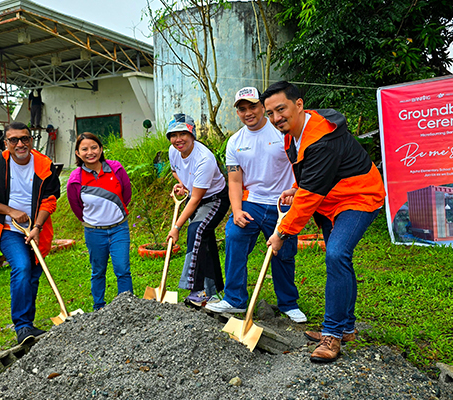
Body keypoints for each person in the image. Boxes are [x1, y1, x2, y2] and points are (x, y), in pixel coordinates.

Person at [262, 81, 386, 363]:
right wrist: (299, 186)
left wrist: (282, 232)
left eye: (280, 109)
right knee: (340, 259)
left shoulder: (322, 139)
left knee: (336, 254)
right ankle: (347, 327)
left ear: (299, 104)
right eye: (270, 113)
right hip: (331, 201)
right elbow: (310, 175)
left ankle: (332, 335)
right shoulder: (293, 133)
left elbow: (309, 197)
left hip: (360, 197)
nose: (276, 118)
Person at [205, 87, 307, 323]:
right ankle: (235, 300)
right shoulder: (235, 142)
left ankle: (288, 304)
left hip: (282, 205)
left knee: (283, 253)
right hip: (251, 204)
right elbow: (234, 179)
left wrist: (296, 192)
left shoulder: (283, 132)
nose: (248, 112)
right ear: (238, 113)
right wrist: (237, 209)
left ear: (263, 107)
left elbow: (300, 166)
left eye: (252, 106)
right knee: (234, 239)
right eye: (242, 109)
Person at [0, 121, 60, 345]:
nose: (20, 144)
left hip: (36, 227)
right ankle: (21, 326)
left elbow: (50, 200)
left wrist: (37, 227)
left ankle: (28, 324)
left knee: (33, 273)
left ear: (31, 140)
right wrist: (11, 211)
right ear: (6, 142)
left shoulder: (44, 164)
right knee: (21, 266)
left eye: (25, 139)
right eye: (14, 140)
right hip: (7, 227)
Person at [165, 113, 230, 306]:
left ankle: (198, 288)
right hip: (196, 195)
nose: (178, 139)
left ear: (192, 134)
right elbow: (175, 170)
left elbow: (195, 199)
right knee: (206, 240)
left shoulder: (204, 159)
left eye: (183, 134)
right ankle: (214, 290)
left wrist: (176, 227)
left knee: (196, 230)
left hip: (215, 199)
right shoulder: (173, 150)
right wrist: (183, 184)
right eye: (173, 135)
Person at [67, 132, 133, 310]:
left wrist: (115, 212)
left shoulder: (116, 168)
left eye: (94, 147)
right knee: (98, 271)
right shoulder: (75, 179)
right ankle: (99, 307)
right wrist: (94, 221)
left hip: (119, 228)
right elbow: (77, 207)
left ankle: (128, 307)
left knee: (122, 269)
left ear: (101, 149)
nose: (90, 152)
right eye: (85, 149)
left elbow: (126, 194)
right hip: (94, 232)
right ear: (78, 153)